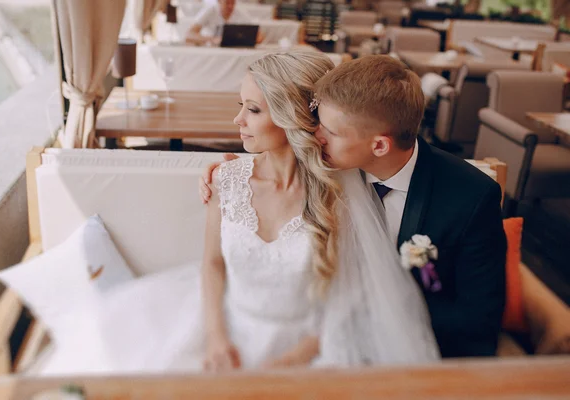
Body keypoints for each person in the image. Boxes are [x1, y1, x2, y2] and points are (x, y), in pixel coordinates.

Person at [96, 50, 440, 373]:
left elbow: (350, 298)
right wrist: (216, 339)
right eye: (240, 106)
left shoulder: (339, 192)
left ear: (293, 117)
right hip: (226, 327)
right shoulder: (226, 180)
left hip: (309, 346)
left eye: (253, 110)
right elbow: (212, 264)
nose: (238, 120)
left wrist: (290, 362)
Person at [201, 55, 508, 358]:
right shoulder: (334, 167)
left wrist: (383, 320)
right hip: (294, 331)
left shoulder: (470, 198)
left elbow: (477, 322)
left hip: (406, 342)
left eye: (329, 131)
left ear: (378, 146)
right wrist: (229, 176)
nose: (314, 135)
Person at [186, 0, 256, 46]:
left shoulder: (240, 12)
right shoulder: (210, 10)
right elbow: (189, 35)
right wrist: (212, 39)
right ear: (219, 2)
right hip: (210, 52)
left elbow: (259, 37)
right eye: (227, 3)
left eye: (233, 3)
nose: (230, 6)